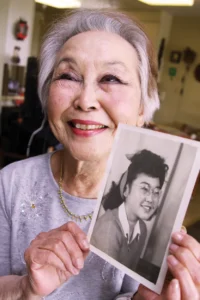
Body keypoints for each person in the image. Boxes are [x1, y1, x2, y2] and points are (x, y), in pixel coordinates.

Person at [0, 9, 199, 300]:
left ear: (142, 108)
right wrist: (23, 288)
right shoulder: (10, 183)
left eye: (112, 78)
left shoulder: (154, 215)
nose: (86, 100)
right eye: (68, 76)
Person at [91, 149, 169, 273]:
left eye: (156, 192)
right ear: (126, 189)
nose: (150, 198)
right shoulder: (109, 228)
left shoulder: (142, 229)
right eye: (144, 188)